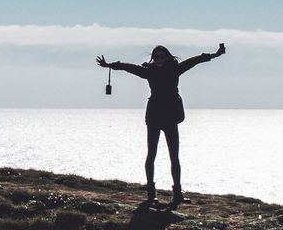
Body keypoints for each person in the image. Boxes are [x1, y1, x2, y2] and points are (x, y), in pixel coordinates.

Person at [96, 43, 226, 209]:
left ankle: (177, 195)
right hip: (154, 117)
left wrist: (216, 54)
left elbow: (196, 60)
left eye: (161, 56)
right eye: (155, 56)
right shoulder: (148, 71)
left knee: (174, 156)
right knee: (151, 154)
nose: (158, 59)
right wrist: (110, 66)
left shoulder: (175, 69)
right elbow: (128, 67)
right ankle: (151, 195)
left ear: (167, 57)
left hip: (170, 117)